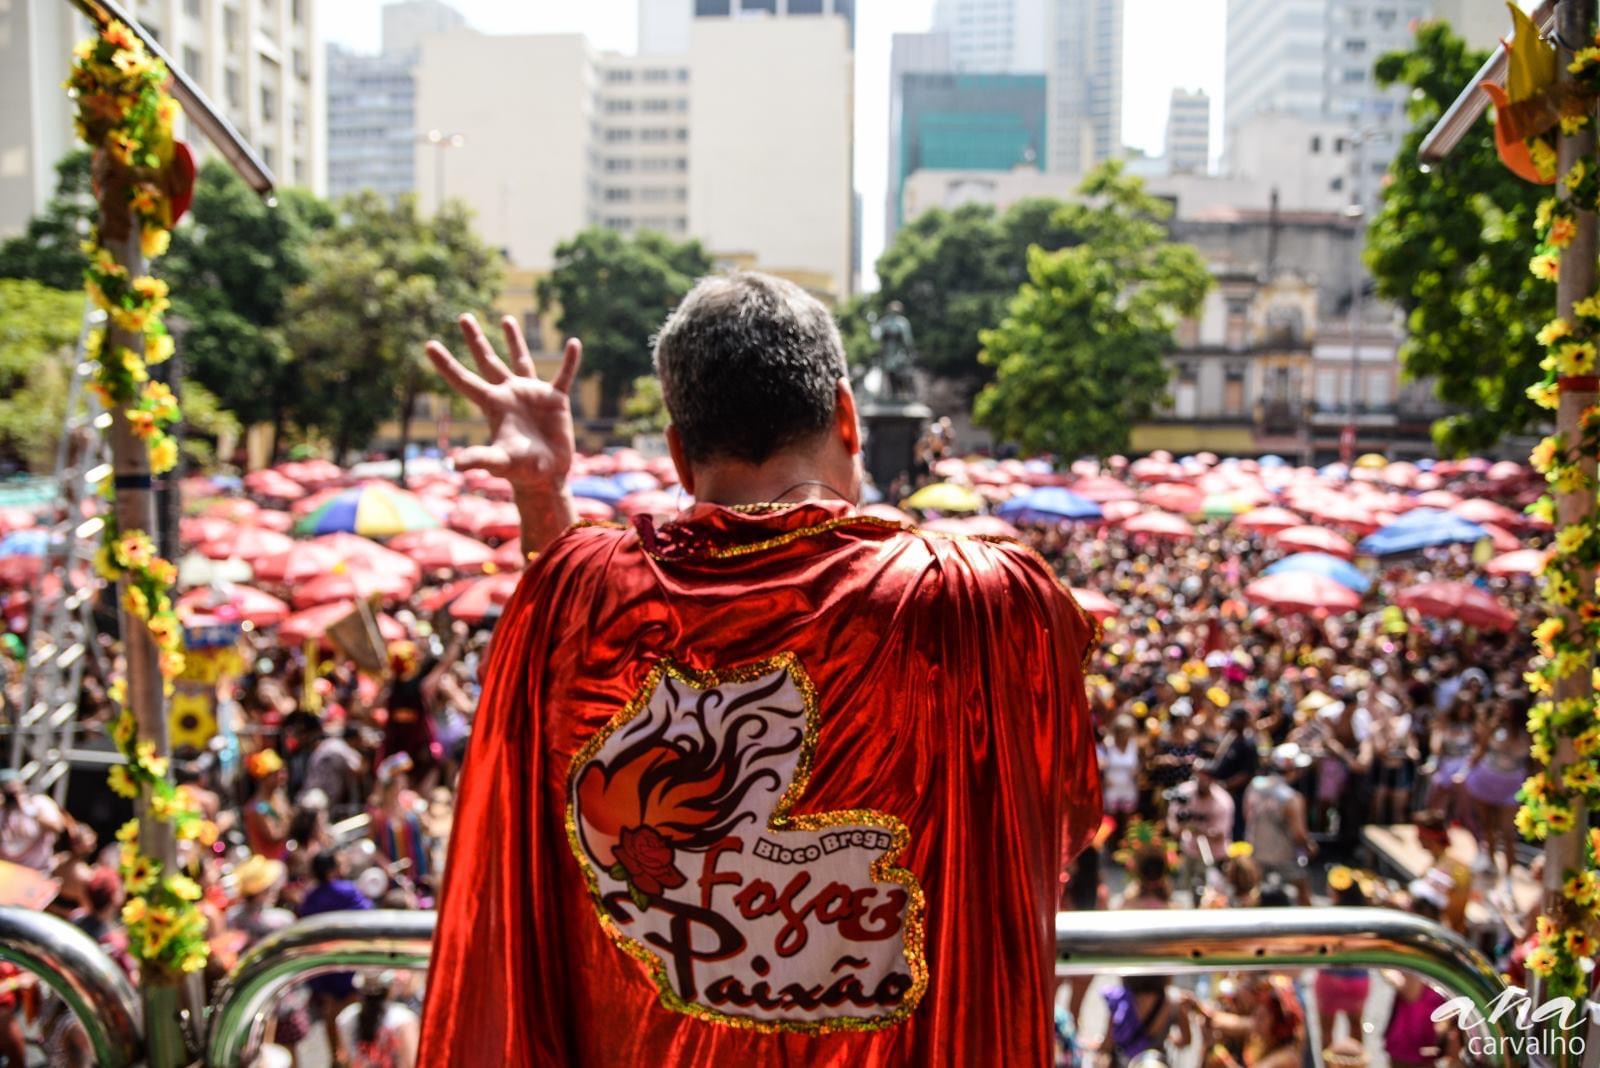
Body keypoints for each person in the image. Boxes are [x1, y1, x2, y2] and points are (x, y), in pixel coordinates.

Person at [418, 274, 1101, 1063]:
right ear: (848, 415)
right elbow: (1065, 823)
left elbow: (585, 652)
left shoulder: (581, 587)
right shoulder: (978, 598)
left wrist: (544, 498)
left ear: (677, 453)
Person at [300, 850, 374, 1065]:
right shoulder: (347, 891)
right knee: (356, 1009)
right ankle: (359, 1055)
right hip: (350, 962)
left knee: (330, 1011)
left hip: (324, 965)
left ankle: (336, 1056)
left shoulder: (310, 898)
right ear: (332, 869)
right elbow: (366, 914)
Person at [337, 971, 420, 1068]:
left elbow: (344, 1059)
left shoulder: (345, 1018)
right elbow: (412, 1062)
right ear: (390, 989)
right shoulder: (404, 1019)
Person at [0, 768, 65, 871]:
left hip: (38, 873)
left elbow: (57, 827)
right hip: (7, 875)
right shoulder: (2, 811)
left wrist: (28, 810)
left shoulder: (39, 803)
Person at [242, 749, 291, 862]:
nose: (282, 776)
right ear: (263, 778)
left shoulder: (279, 797)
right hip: (268, 866)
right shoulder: (258, 807)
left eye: (282, 772)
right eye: (276, 773)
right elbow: (274, 835)